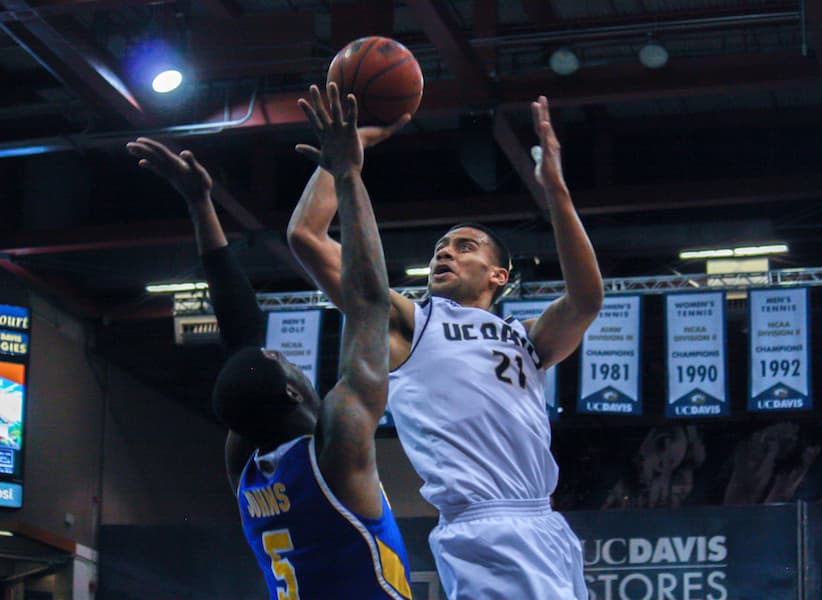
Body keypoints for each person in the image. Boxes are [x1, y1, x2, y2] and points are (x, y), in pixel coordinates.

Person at [288, 95, 603, 599]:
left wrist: (557, 193)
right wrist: (341, 162)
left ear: (499, 276)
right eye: (440, 248)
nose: (445, 253)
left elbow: (587, 299)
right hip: (484, 527)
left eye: (464, 246)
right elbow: (307, 237)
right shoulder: (409, 323)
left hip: (546, 524)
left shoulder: (526, 337)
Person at [126, 82, 412, 600]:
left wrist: (200, 204)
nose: (286, 355)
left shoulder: (249, 467)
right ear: (290, 391)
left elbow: (242, 333)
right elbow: (369, 301)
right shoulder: (339, 447)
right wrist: (347, 172)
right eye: (281, 359)